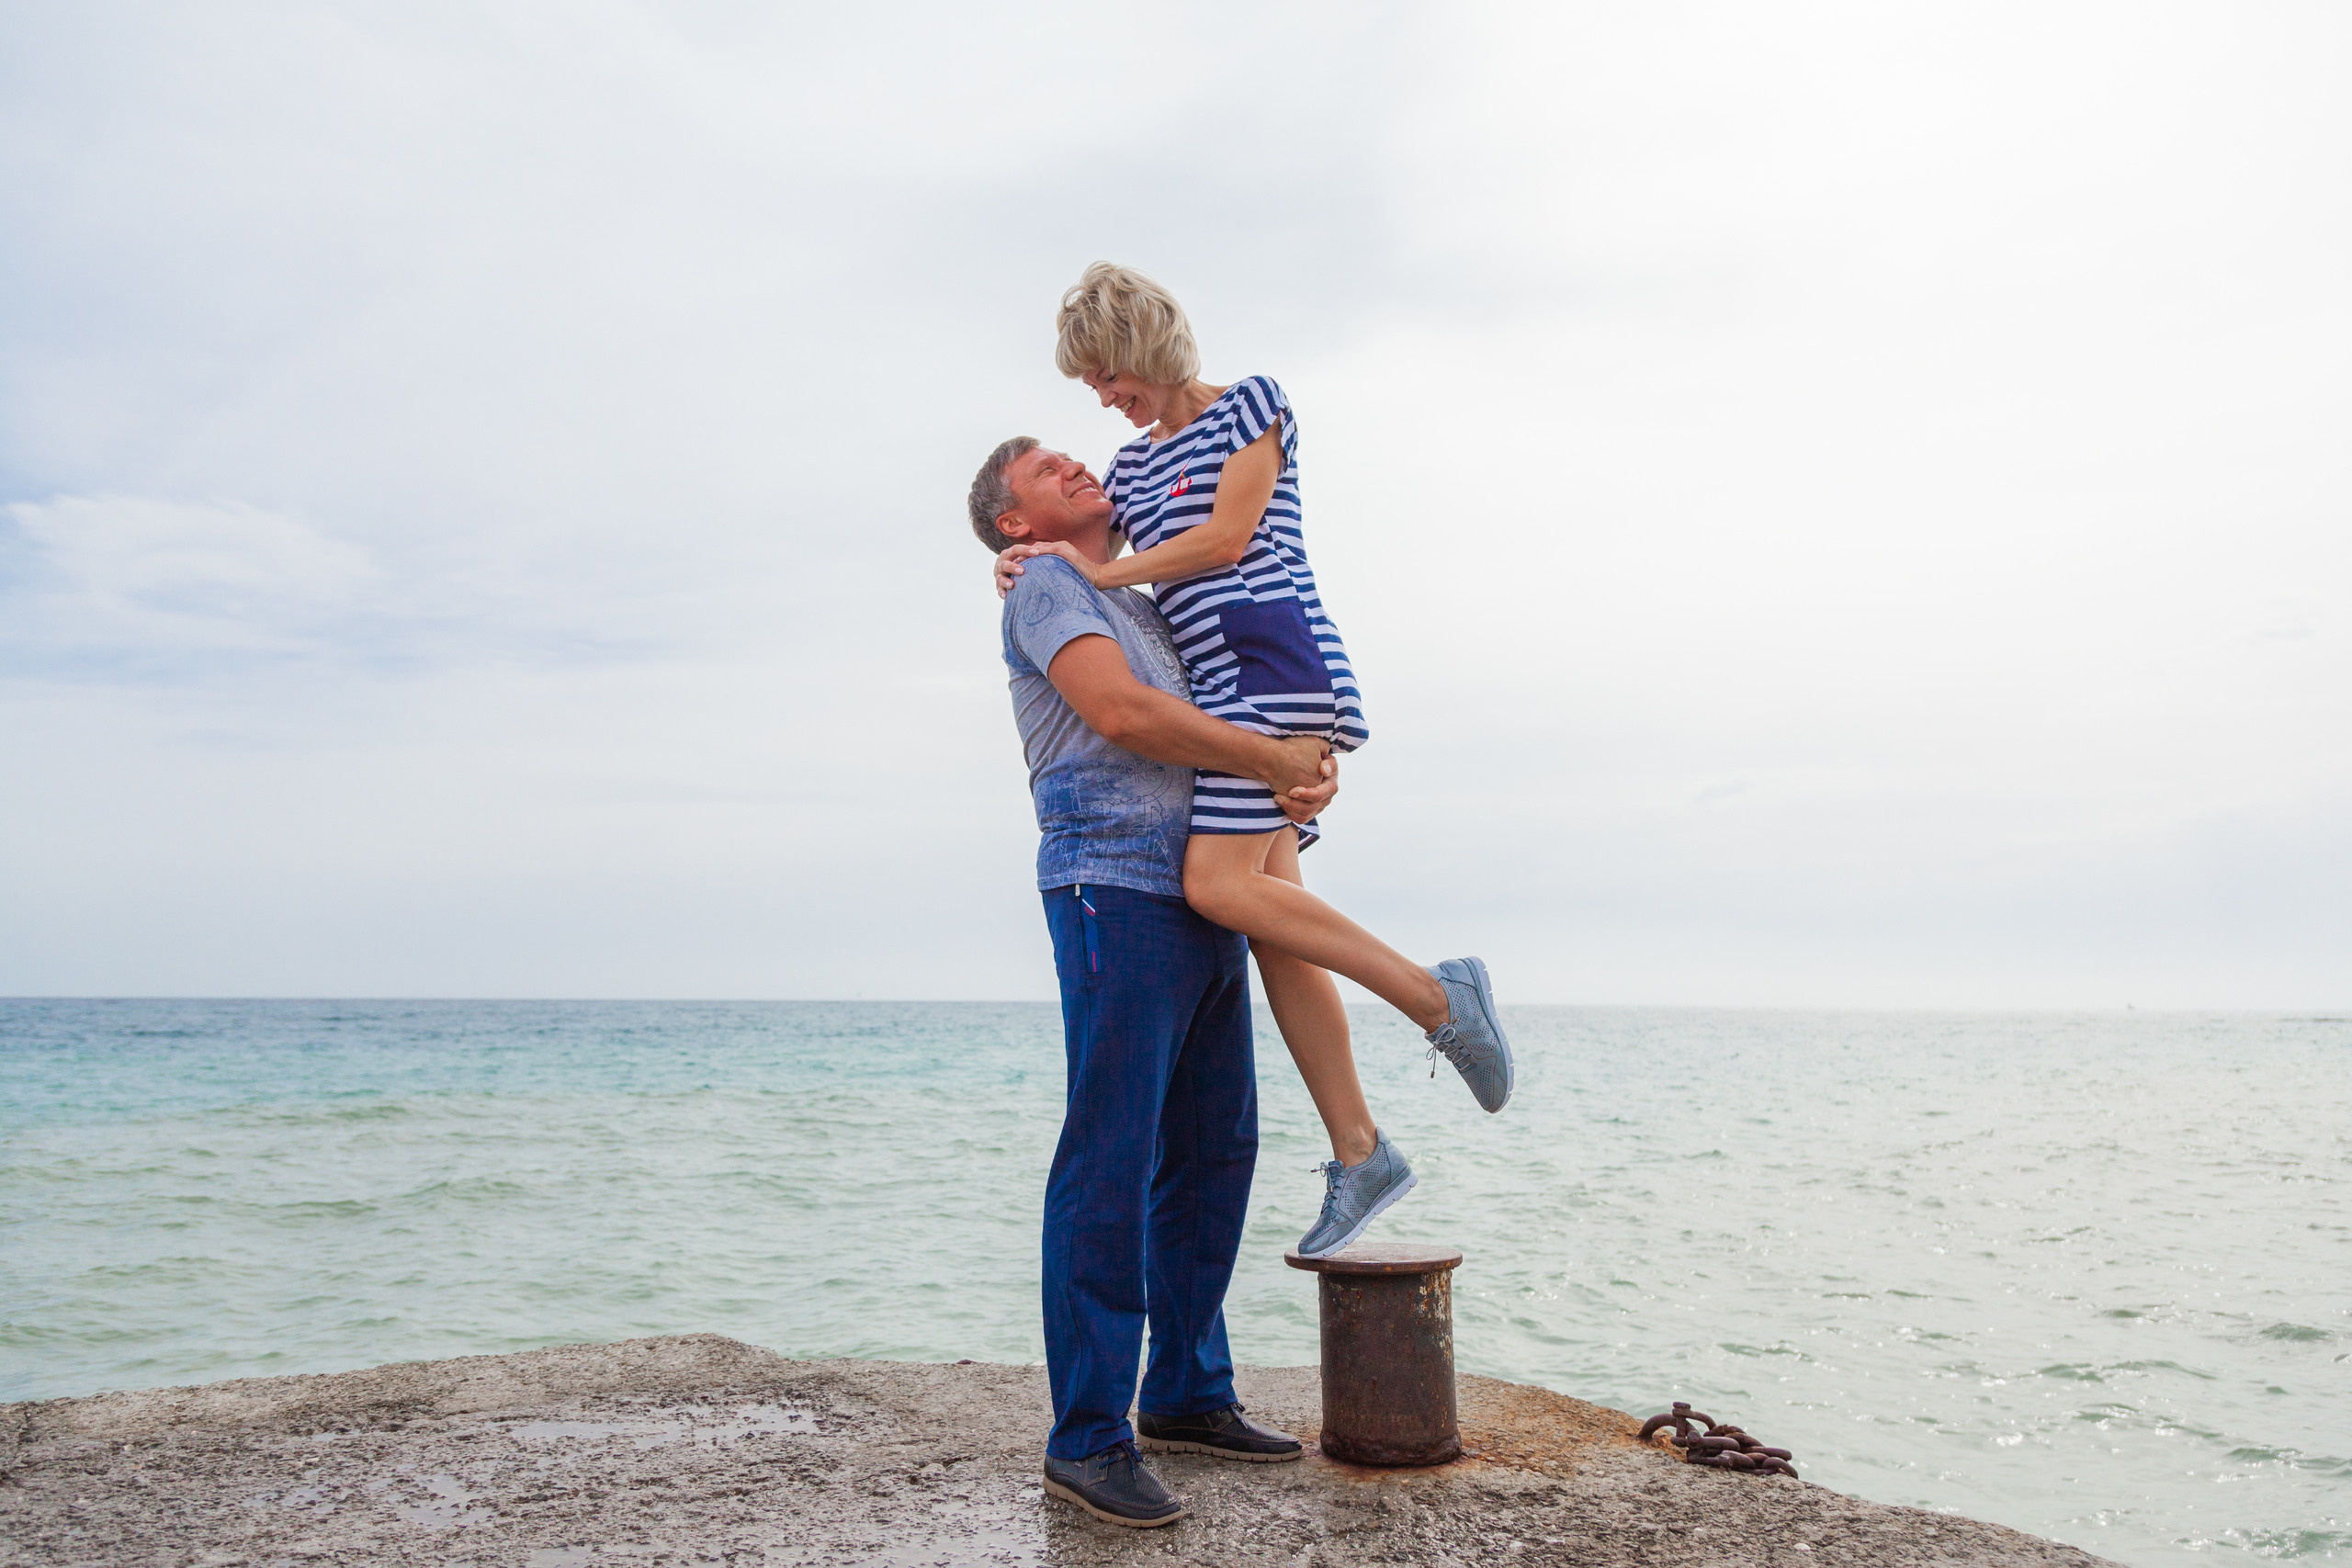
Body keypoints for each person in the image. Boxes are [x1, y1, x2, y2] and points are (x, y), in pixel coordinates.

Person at [995, 262, 1513, 1262]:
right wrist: (1022, 559)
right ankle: (1361, 1151)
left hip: (1272, 660)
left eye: (1104, 374)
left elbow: (1229, 537)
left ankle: (1438, 999)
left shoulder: (1251, 406)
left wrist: (1097, 569)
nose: (1104, 398)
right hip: (1216, 687)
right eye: (1092, 389)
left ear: (1139, 342)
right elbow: (1086, 547)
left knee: (1215, 885)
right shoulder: (1132, 471)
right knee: (1279, 925)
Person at [968, 434, 1334, 1527]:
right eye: (1047, 468)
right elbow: (1123, 716)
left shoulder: (1146, 587)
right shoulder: (1044, 584)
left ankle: (1183, 1389)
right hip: (1111, 889)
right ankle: (1086, 1436)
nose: (1079, 464)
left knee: (1215, 1149)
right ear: (1013, 524)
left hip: (1204, 889)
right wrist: (1266, 760)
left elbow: (1233, 672)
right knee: (1110, 1159)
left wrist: (1288, 782)